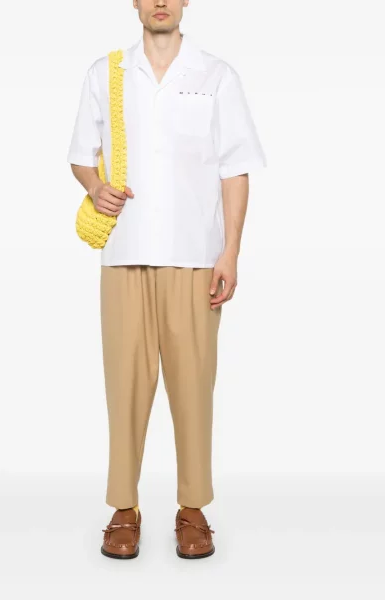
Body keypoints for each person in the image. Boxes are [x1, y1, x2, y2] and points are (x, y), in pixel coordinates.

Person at [67, 0, 266, 560]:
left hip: (196, 256)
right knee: (124, 388)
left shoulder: (216, 75)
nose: (159, 2)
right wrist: (94, 187)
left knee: (194, 387)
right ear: (134, 2)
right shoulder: (105, 73)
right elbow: (81, 155)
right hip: (124, 254)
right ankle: (123, 508)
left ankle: (193, 509)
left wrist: (230, 251)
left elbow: (235, 167)